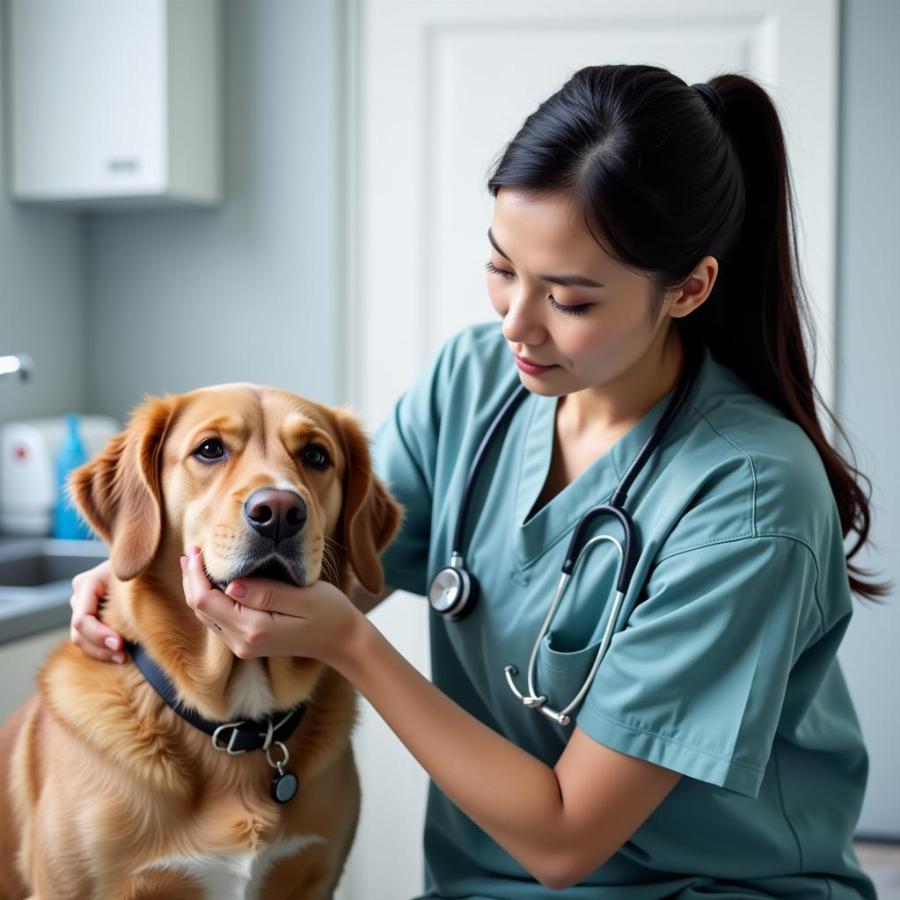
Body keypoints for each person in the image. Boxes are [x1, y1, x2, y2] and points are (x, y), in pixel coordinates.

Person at [69, 64, 886, 898]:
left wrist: (353, 645)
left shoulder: (750, 497)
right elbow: (327, 556)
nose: (516, 325)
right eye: (503, 268)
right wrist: (152, 573)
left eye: (568, 299)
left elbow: (568, 840)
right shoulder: (472, 384)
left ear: (687, 288)